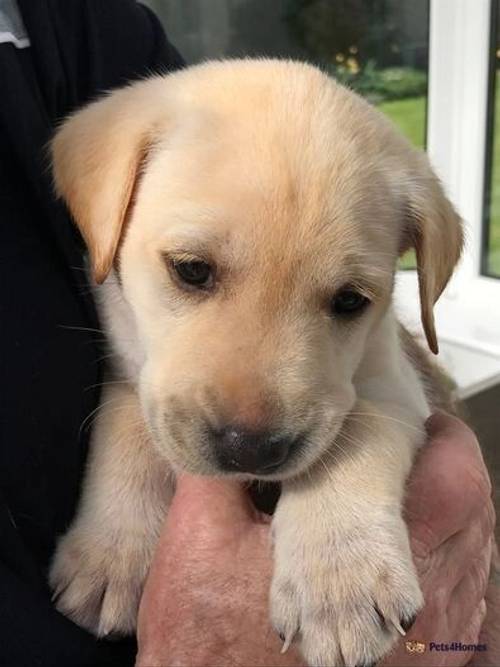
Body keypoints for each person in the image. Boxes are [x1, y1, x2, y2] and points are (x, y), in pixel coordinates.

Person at [0, 2, 497, 666]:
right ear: (105, 209)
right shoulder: (140, 144)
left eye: (347, 299)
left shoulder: (87, 27)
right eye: (195, 272)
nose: (253, 422)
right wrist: (125, 497)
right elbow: (124, 370)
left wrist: (342, 524)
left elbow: (394, 397)